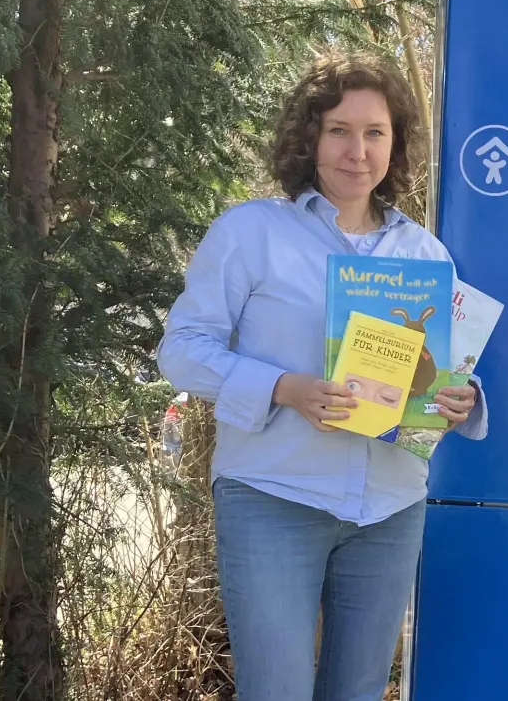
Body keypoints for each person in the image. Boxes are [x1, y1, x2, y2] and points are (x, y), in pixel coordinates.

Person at [155, 51, 486, 701]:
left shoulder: (425, 253)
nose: (356, 151)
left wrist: (460, 399)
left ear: (397, 142)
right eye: (338, 129)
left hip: (390, 509)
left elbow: (444, 373)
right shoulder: (252, 232)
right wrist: (285, 388)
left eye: (374, 132)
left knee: (356, 693)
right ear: (310, 136)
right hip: (273, 496)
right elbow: (182, 350)